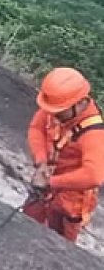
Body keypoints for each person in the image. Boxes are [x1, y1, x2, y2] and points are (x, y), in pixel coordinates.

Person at [24, 67, 104, 243]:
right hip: (46, 181)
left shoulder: (93, 133)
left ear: (81, 102)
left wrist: (51, 182)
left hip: (71, 199)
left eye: (59, 112)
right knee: (26, 224)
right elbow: (36, 128)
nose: (53, 115)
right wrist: (41, 162)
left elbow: (94, 175)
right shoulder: (57, 106)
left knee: (59, 245)